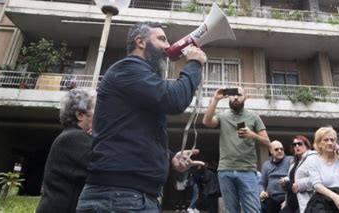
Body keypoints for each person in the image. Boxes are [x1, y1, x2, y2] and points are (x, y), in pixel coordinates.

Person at [77, 21, 207, 212]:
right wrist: (194, 64)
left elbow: (136, 131)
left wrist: (170, 159)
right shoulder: (128, 68)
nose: (167, 45)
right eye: (162, 39)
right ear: (140, 42)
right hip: (120, 195)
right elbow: (174, 99)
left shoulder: (140, 77)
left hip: (128, 195)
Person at [203, 86, 270, 213]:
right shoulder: (223, 116)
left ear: (246, 97)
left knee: (253, 210)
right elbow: (207, 122)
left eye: (239, 95)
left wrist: (252, 135)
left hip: (247, 170)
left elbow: (267, 142)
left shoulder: (254, 116)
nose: (235, 97)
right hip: (225, 171)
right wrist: (215, 99)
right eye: (232, 95)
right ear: (228, 97)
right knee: (231, 211)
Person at [36, 89, 95, 213]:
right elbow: (105, 164)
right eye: (96, 109)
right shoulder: (74, 138)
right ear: (80, 115)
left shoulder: (71, 137)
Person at [305, 127, 339, 213]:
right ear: (319, 144)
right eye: (326, 140)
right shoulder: (312, 160)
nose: (330, 143)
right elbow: (317, 185)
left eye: (332, 140)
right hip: (324, 201)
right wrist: (336, 198)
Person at [281, 135, 316, 213]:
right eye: (294, 145)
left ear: (307, 146)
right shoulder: (293, 163)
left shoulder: (312, 158)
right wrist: (285, 182)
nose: (297, 146)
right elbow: (292, 180)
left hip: (304, 202)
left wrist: (300, 185)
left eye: (300, 144)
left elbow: (317, 179)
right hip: (290, 204)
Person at [259, 140, 293, 213]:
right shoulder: (266, 164)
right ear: (271, 151)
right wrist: (262, 191)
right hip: (271, 199)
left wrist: (286, 180)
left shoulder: (290, 160)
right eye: (276, 149)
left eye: (281, 149)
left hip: (286, 197)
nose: (280, 151)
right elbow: (262, 182)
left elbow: (295, 177)